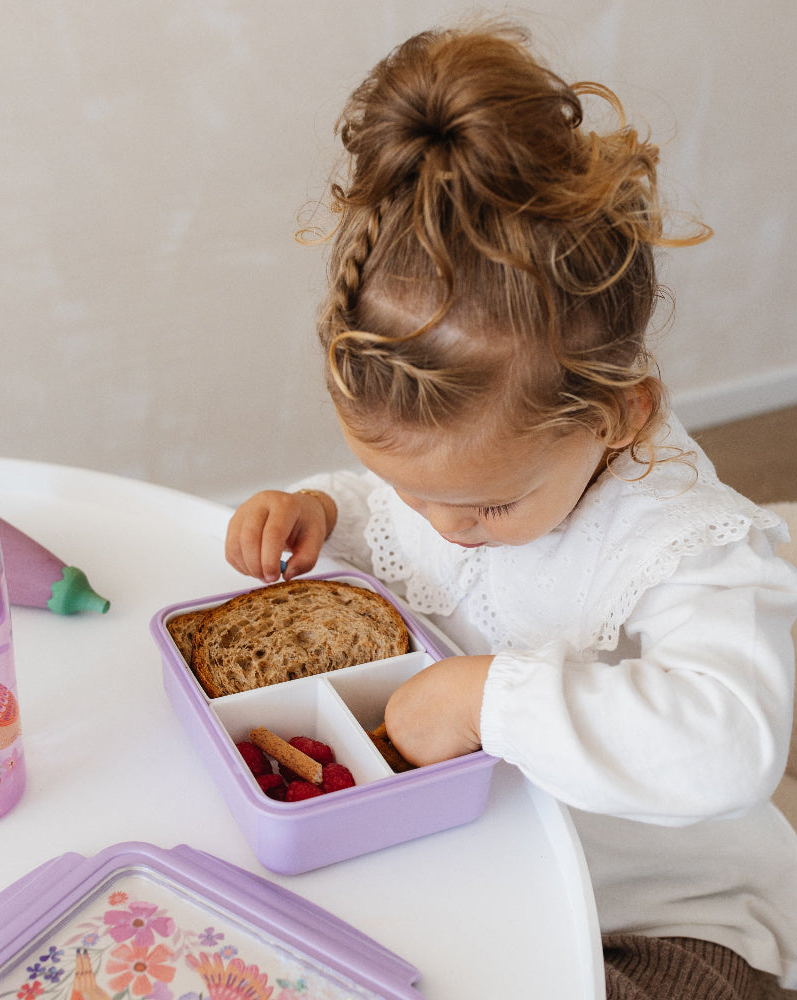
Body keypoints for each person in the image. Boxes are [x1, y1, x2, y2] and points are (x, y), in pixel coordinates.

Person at [226, 22, 797, 1000]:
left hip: (663, 915)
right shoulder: (453, 495)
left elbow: (730, 745)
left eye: (488, 504)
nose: (444, 528)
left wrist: (485, 697)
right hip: (489, 871)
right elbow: (403, 523)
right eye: (412, 493)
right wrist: (323, 508)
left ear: (618, 417)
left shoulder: (688, 546)